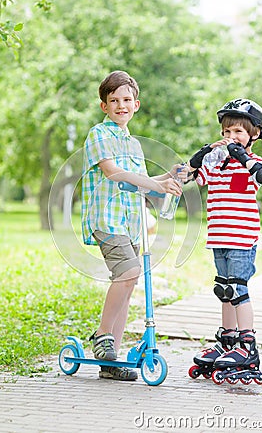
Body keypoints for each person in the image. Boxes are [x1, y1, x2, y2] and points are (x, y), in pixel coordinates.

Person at [81, 70, 182, 381]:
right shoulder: (99, 135)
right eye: (114, 101)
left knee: (128, 283)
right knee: (129, 273)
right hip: (107, 220)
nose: (121, 105)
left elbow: (144, 183)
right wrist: (158, 184)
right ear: (105, 106)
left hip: (131, 223)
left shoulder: (134, 144)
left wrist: (171, 177)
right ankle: (102, 337)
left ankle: (111, 357)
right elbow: (113, 173)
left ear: (136, 104)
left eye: (126, 100)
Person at [186, 98, 262, 380]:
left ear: (254, 134)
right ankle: (228, 342)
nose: (230, 138)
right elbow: (191, 175)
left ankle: (247, 346)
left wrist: (241, 156)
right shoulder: (216, 162)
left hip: (241, 237)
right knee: (223, 290)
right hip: (219, 236)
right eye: (226, 132)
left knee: (237, 290)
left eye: (237, 132)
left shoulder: (253, 163)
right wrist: (203, 154)